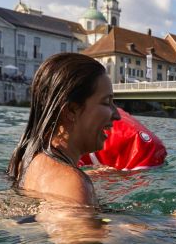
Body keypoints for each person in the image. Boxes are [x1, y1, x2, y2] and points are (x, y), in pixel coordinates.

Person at [7, 53, 121, 206]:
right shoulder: (70, 184)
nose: (117, 115)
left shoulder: (26, 159)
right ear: (71, 111)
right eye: (106, 102)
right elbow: (75, 229)